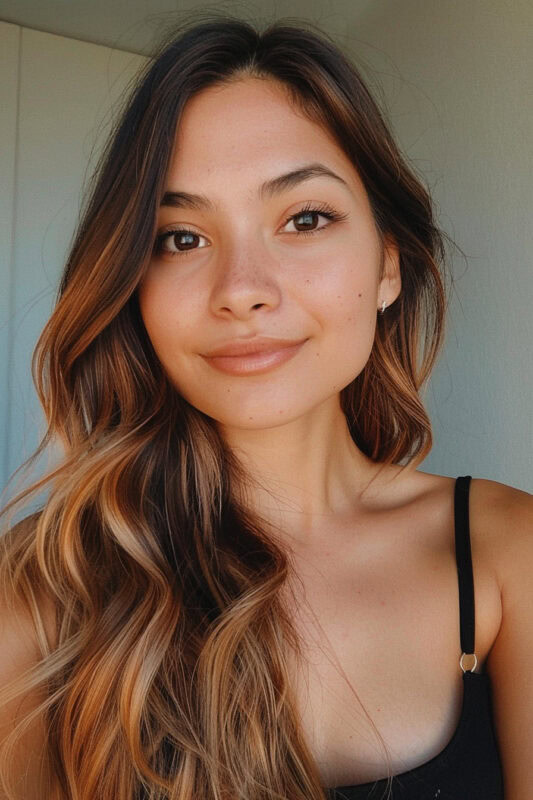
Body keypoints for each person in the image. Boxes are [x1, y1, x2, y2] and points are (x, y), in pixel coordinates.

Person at [0, 13, 531, 800]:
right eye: (180, 237)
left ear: (388, 266)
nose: (242, 289)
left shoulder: (501, 553)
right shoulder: (46, 586)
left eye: (304, 219)